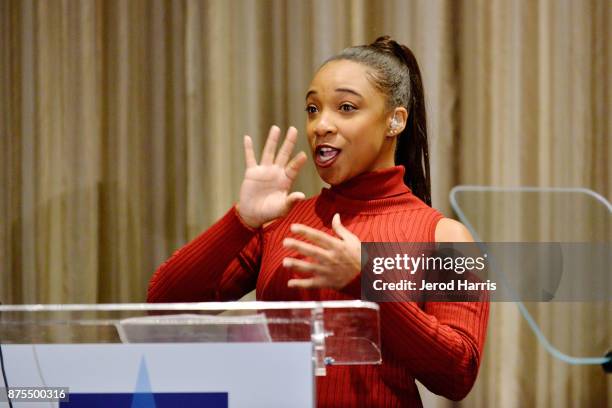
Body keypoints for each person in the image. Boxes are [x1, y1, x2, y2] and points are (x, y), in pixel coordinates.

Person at [147, 36, 489, 407]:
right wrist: (240, 221)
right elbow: (164, 305)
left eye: (345, 107)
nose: (321, 125)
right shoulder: (284, 223)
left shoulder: (446, 235)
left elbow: (459, 373)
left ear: (395, 120)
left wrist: (368, 280)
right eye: (312, 109)